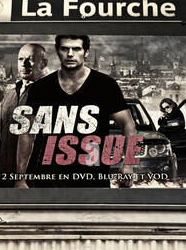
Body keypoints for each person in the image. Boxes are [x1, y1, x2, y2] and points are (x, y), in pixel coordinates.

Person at [13, 34, 138, 188]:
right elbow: (26, 134)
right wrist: (20, 178)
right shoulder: (40, 88)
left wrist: (129, 165)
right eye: (65, 49)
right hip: (47, 177)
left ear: (86, 52)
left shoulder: (105, 85)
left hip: (92, 177)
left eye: (76, 49)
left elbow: (128, 125)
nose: (70, 54)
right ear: (58, 51)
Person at [0, 43, 47, 188]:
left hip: (33, 181)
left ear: (44, 63)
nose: (24, 64)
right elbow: (1, 141)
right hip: (4, 176)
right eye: (21, 59)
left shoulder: (49, 94)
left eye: (31, 59)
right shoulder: (10, 94)